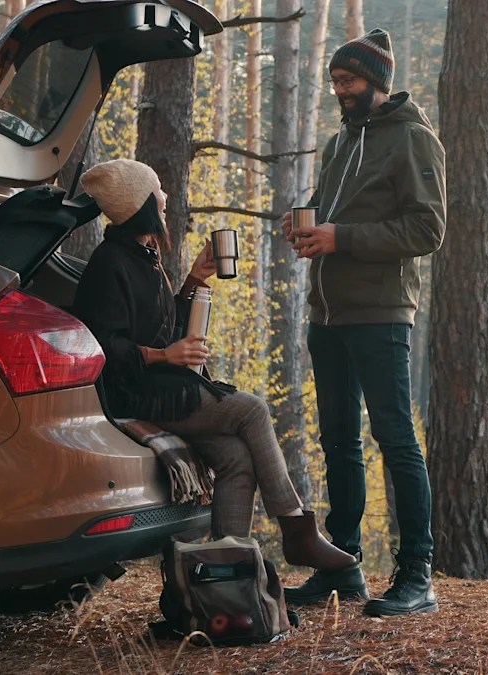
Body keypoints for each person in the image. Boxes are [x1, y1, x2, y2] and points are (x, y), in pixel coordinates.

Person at [71, 158, 355, 573]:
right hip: (136, 395)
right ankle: (296, 529)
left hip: (159, 385)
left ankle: (229, 572)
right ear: (140, 203)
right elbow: (104, 346)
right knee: (252, 409)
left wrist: (194, 281)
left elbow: (160, 327)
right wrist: (165, 356)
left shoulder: (142, 255)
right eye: (157, 190)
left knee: (236, 456)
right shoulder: (109, 263)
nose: (166, 196)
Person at [280, 28, 446, 617]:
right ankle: (342, 567)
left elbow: (428, 229)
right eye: (335, 81)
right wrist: (307, 226)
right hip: (326, 314)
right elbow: (334, 215)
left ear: (376, 82)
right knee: (338, 440)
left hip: (379, 315)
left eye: (348, 81)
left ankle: (417, 574)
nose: (340, 91)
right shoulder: (340, 143)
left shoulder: (414, 140)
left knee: (395, 439)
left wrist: (340, 237)